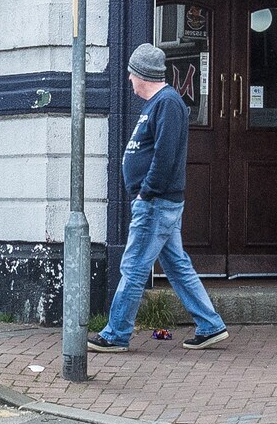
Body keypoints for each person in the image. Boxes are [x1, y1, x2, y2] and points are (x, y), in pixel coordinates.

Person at [88, 44, 228, 353]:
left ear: (142, 75)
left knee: (134, 266)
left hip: (156, 203)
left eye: (131, 73)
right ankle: (210, 325)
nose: (128, 79)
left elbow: (165, 156)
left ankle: (116, 334)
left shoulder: (167, 103)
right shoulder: (160, 103)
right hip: (158, 201)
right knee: (177, 266)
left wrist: (146, 191)